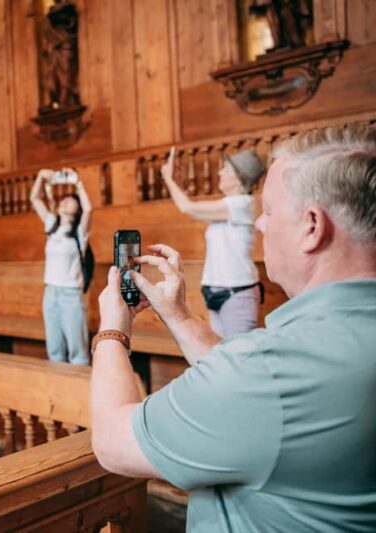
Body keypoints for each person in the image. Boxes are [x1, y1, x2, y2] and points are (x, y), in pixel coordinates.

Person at [90, 124, 376, 532]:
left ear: (312, 226)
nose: (259, 224)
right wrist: (180, 317)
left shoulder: (269, 372)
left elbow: (112, 441)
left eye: (271, 211)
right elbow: (248, 384)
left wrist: (112, 331)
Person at [161, 148, 266, 337]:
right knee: (220, 356)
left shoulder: (242, 204)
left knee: (237, 359)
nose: (219, 173)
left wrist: (168, 179)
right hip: (214, 289)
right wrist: (177, 182)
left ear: (239, 177)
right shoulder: (228, 206)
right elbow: (194, 209)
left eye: (225, 169)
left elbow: (187, 208)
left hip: (237, 293)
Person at [30, 168, 92, 365]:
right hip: (50, 293)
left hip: (70, 294)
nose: (66, 200)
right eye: (64, 198)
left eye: (71, 199)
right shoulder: (52, 226)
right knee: (54, 350)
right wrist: (40, 176)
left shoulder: (80, 233)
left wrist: (77, 183)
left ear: (78, 207)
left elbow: (90, 209)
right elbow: (35, 199)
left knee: (78, 350)